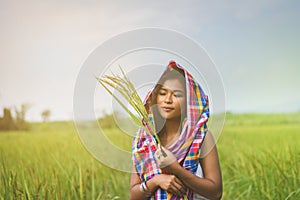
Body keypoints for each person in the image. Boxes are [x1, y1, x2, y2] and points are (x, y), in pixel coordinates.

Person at [130, 61, 222, 200]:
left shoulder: (201, 137)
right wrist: (157, 181)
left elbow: (216, 193)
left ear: (189, 101)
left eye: (177, 94)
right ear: (155, 98)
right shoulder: (144, 139)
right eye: (162, 93)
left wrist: (175, 169)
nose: (168, 100)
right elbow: (133, 196)